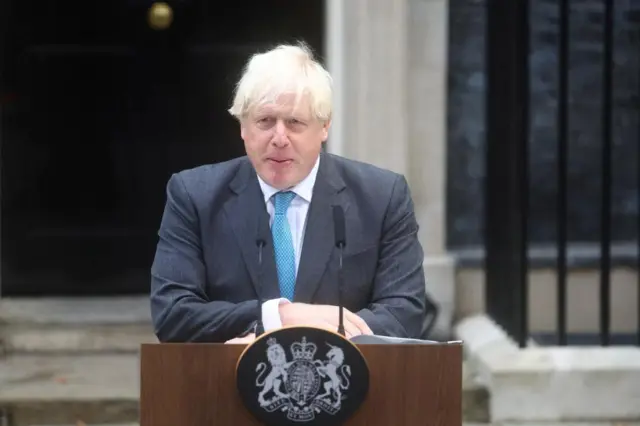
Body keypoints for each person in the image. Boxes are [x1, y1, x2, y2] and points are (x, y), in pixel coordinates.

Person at [150, 42, 427, 344]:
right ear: (243, 126)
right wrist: (277, 317)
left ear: (324, 127)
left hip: (349, 383)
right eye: (265, 121)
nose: (279, 138)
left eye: (295, 122)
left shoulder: (382, 197)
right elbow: (173, 313)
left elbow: (404, 313)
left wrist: (321, 335)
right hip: (227, 384)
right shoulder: (194, 196)